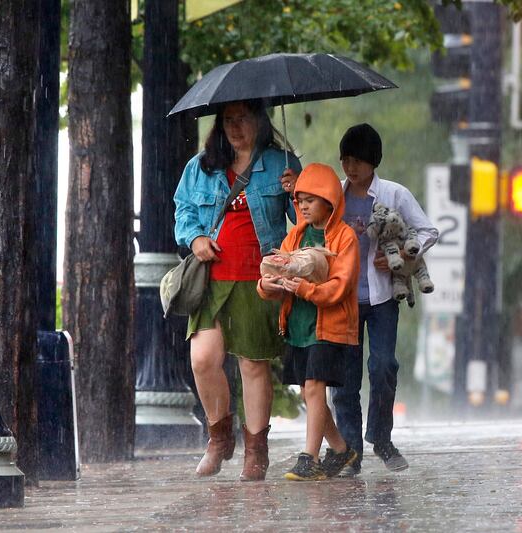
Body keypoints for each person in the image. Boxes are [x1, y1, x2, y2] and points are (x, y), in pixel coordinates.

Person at [173, 99, 301, 481]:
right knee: (203, 359)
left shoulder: (281, 163)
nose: (234, 126)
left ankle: (256, 451)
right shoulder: (201, 166)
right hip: (213, 279)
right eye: (228, 120)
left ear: (259, 121)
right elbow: (183, 210)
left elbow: (308, 219)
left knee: (252, 364)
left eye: (242, 119)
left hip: (261, 278)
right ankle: (219, 436)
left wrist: (297, 191)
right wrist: (195, 237)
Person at [332, 123, 439, 476]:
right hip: (342, 297)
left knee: (382, 367)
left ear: (373, 161)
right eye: (346, 160)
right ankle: (350, 452)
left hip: (382, 298)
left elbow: (428, 230)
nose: (351, 168)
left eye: (358, 161)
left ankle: (381, 438)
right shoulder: (335, 195)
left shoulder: (394, 195)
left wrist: (407, 258)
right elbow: (309, 216)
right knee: (344, 379)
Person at [257, 163, 360, 481]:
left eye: (310, 199)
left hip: (328, 326)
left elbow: (341, 285)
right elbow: (277, 274)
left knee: (315, 388)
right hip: (298, 326)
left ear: (329, 200)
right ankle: (342, 450)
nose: (302, 205)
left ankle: (309, 458)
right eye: (299, 199)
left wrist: (308, 289)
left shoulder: (344, 237)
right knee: (308, 392)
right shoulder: (294, 236)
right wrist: (267, 286)